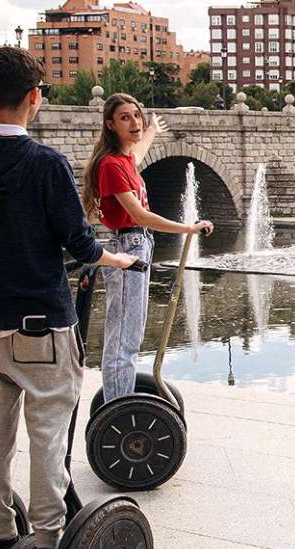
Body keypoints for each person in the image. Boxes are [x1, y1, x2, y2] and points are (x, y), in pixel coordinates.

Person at [0, 47, 140, 549]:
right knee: (49, 431)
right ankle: (47, 547)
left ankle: (0, 532)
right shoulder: (46, 163)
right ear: (34, 97)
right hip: (44, 327)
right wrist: (120, 257)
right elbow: (80, 244)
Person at [79, 94, 214, 403]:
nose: (134, 122)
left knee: (130, 335)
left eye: (137, 115)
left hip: (138, 244)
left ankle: (120, 400)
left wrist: (152, 129)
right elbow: (140, 216)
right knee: (123, 338)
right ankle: (118, 406)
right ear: (110, 125)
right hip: (129, 246)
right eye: (125, 117)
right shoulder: (111, 165)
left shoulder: (124, 161)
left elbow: (137, 152)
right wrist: (187, 228)